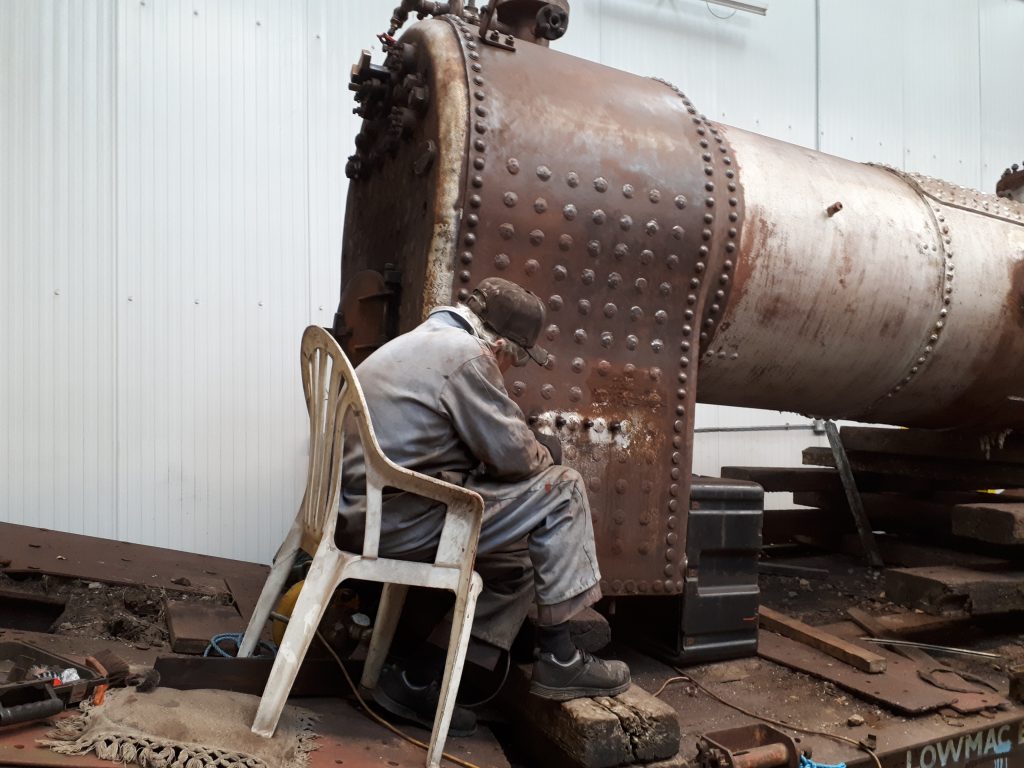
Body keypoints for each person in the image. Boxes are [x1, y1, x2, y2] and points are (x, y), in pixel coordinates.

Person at [338, 277, 629, 732]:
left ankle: (418, 678)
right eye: (514, 360)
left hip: (365, 510)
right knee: (565, 487)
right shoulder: (468, 357)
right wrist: (546, 451)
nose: (509, 371)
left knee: (516, 565)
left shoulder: (419, 342)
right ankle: (559, 656)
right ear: (499, 345)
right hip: (394, 519)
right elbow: (514, 459)